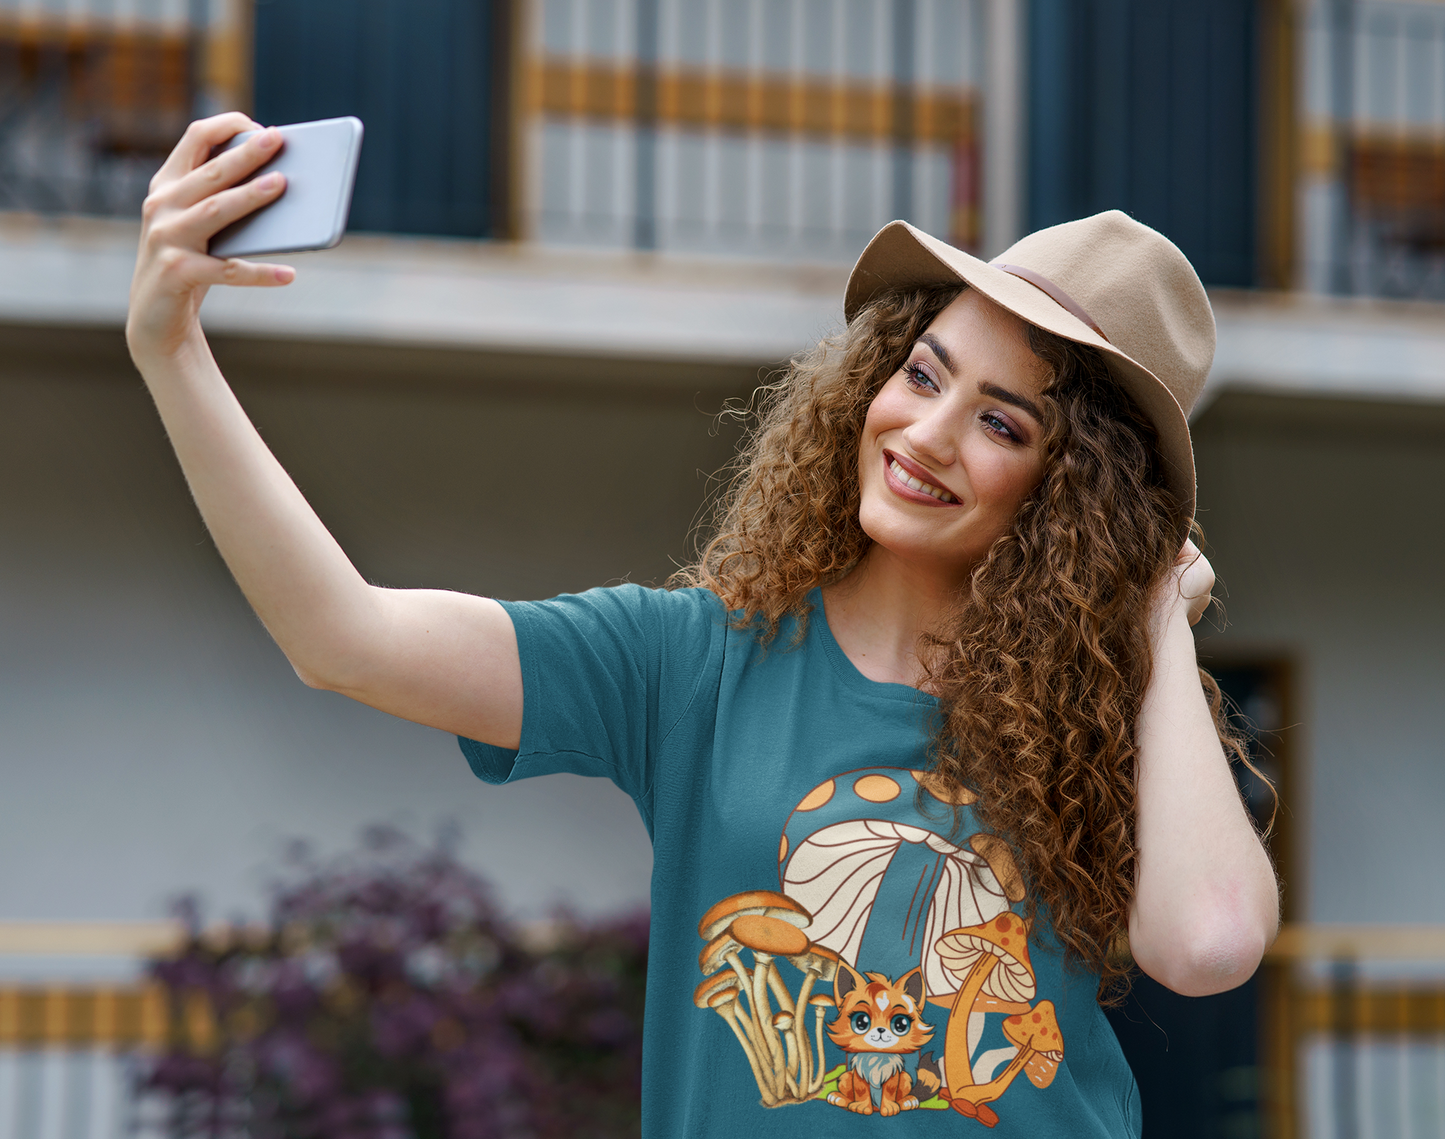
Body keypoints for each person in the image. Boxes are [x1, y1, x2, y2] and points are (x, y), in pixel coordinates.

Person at [127, 113, 1279, 1136]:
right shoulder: (695, 661)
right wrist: (171, 350)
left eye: (1001, 423)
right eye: (923, 373)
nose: (926, 433)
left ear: (1070, 497)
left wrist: (1160, 629)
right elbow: (343, 637)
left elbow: (1207, 943)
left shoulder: (1108, 726)